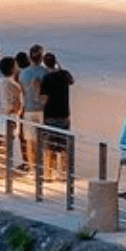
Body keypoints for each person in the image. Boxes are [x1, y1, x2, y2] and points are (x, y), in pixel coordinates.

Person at [39, 51, 74, 179]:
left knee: (49, 146)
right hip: (64, 114)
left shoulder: (46, 78)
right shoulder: (65, 75)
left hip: (50, 115)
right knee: (64, 146)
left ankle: (48, 173)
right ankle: (64, 173)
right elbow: (72, 81)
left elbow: (43, 98)